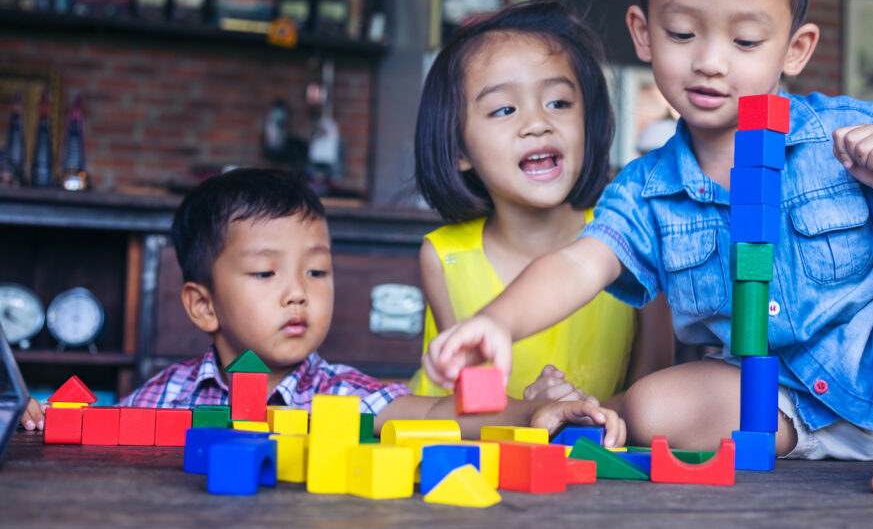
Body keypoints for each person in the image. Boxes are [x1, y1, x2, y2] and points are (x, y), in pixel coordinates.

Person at [422, 0, 873, 496]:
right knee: (651, 410)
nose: (710, 62)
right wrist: (497, 321)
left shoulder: (847, 132)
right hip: (780, 406)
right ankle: (583, 415)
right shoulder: (647, 192)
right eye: (682, 33)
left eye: (744, 42)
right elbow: (577, 264)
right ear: (644, 32)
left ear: (795, 49)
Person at [20, 168, 625, 444]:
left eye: (317, 271)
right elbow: (89, 434)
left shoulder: (345, 394)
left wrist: (530, 414)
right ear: (202, 306)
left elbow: (442, 411)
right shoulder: (163, 397)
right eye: (265, 272)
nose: (298, 291)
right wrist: (48, 421)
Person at [405, 0, 673, 404]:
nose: (537, 123)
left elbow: (653, 395)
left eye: (559, 103)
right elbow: (468, 403)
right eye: (504, 109)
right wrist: (534, 414)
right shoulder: (445, 258)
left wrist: (579, 414)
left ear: (590, 120)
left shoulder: (633, 237)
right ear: (458, 148)